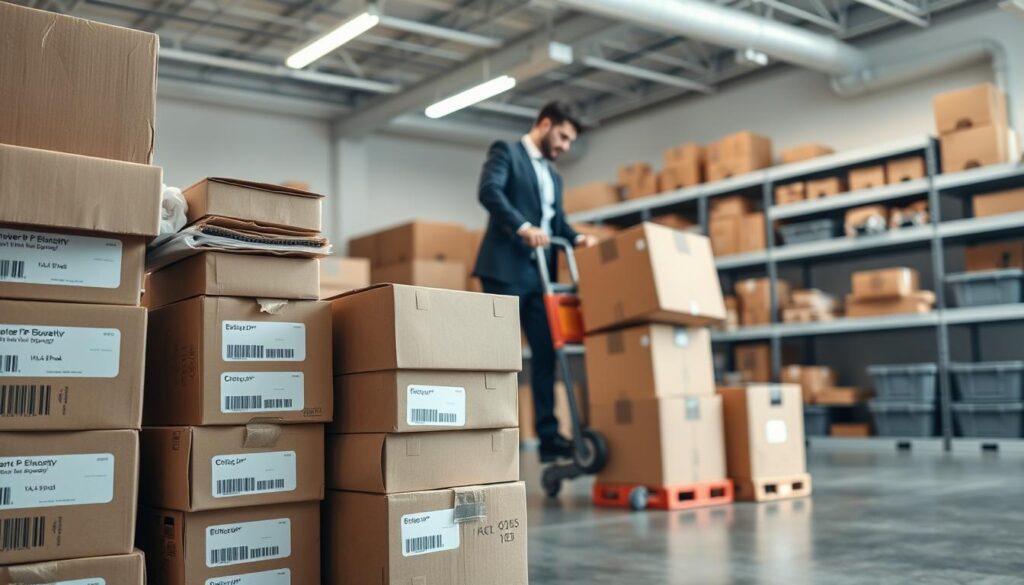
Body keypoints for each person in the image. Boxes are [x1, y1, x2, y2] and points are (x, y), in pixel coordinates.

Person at [473, 101, 598, 463]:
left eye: (570, 141)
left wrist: (576, 239)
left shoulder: (554, 176)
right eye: (562, 136)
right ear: (545, 124)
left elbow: (556, 221)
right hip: (504, 271)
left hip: (540, 277)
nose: (565, 147)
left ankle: (548, 438)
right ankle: (491, 435)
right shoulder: (507, 152)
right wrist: (522, 227)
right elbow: (489, 192)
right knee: (499, 357)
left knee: (547, 352)